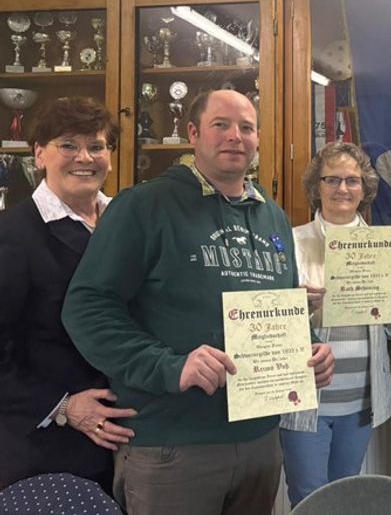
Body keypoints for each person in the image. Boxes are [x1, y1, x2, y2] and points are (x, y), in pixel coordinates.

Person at [62, 89, 335, 515]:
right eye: (220, 125)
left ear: (258, 138)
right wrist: (170, 366)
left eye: (246, 128)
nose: (235, 137)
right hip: (173, 443)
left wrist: (311, 346)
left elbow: (284, 304)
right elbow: (87, 308)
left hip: (260, 440)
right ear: (193, 133)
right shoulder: (144, 205)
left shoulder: (272, 216)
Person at [0, 97, 135, 495]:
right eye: (68, 145)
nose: (85, 157)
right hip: (48, 450)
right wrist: (63, 407)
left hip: (131, 440)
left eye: (97, 146)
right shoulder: (12, 235)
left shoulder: (126, 224)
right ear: (39, 155)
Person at [279, 142, 391, 506]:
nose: (342, 189)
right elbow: (274, 327)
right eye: (332, 179)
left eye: (352, 181)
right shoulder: (293, 243)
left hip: (361, 401)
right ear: (316, 186)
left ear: (364, 188)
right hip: (307, 404)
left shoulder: (381, 247)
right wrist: (298, 307)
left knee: (346, 499)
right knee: (308, 499)